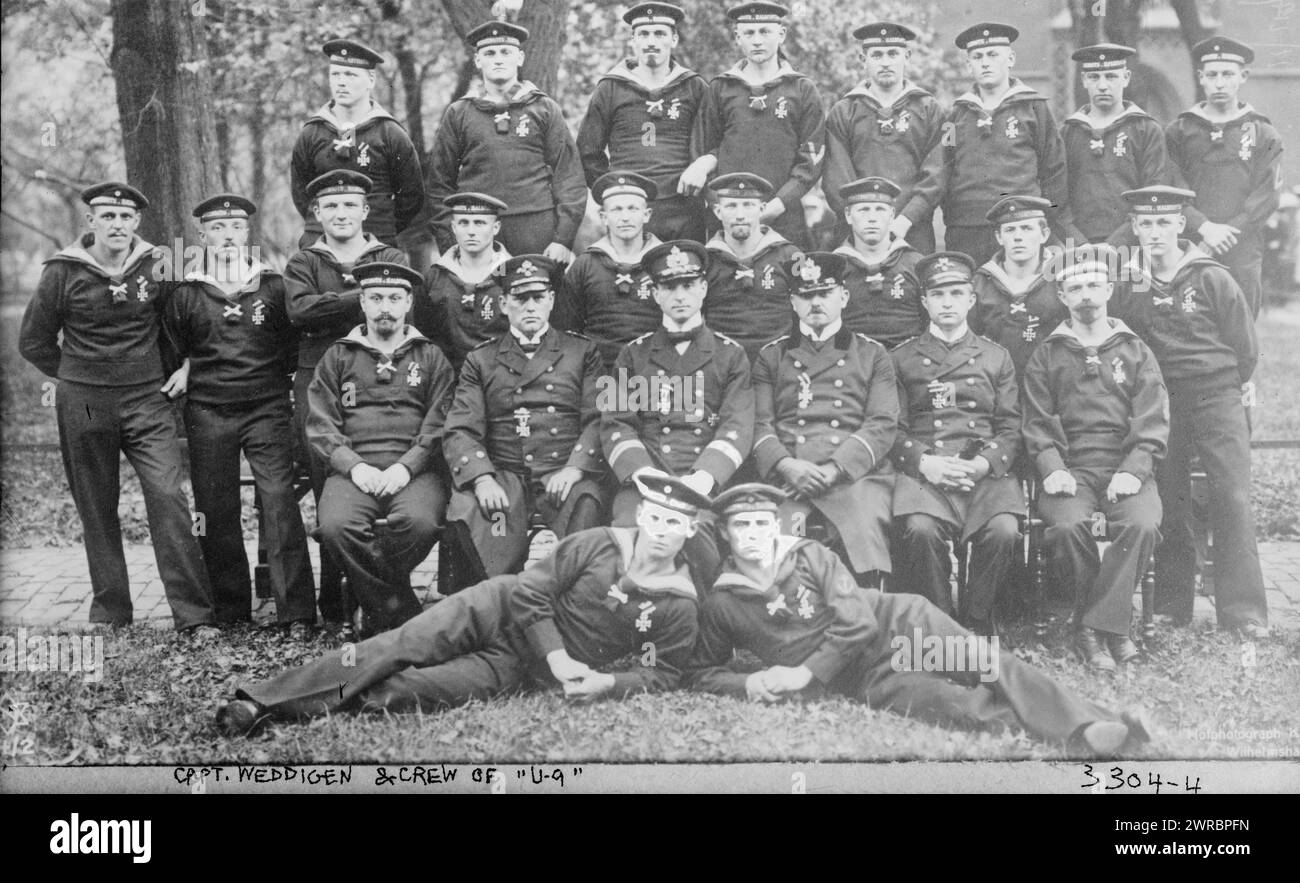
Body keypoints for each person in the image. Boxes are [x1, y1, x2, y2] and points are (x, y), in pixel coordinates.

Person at [215, 474, 707, 735]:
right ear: (642, 514)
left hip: (517, 665)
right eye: (657, 518)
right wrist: (559, 655)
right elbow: (530, 591)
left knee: (410, 689)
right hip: (495, 608)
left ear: (690, 530)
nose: (662, 532)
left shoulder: (679, 603)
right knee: (395, 645)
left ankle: (289, 712)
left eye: (675, 524)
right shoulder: (599, 542)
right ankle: (262, 699)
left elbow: (663, 671)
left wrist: (607, 682)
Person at [687, 483, 1155, 756]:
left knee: (989, 665)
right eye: (741, 526)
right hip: (864, 674)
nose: (753, 535)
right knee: (955, 704)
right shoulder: (722, 603)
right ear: (725, 535)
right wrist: (747, 685)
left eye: (761, 524)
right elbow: (700, 673)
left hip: (899, 625)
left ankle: (1087, 729)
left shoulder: (809, 555)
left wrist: (801, 673)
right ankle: (1087, 733)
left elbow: (857, 624)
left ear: (775, 526)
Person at [19, 182, 216, 635]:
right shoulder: (63, 271)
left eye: (126, 217)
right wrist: (77, 374)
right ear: (90, 221)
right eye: (107, 216)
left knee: (168, 497)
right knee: (97, 504)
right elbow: (32, 341)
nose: (117, 225)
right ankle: (111, 611)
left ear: (137, 223)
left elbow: (181, 322)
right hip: (85, 404)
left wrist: (184, 365)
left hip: (147, 400)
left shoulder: (156, 265)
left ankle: (194, 615)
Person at [1111, 186, 1267, 638]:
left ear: (1181, 225)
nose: (1155, 232)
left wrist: (1225, 387)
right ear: (1134, 228)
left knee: (1232, 497)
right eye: (1146, 223)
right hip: (1161, 402)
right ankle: (1171, 606)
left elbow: (1245, 348)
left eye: (1164, 222)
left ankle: (1244, 614)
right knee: (1170, 499)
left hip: (1217, 396)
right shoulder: (1129, 281)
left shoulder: (1210, 276)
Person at [164, 194, 315, 634]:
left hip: (266, 409)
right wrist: (190, 368)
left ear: (246, 233)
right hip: (208, 412)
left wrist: (273, 387)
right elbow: (176, 352)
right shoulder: (186, 293)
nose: (227, 237)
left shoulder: (272, 285)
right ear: (202, 236)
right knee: (215, 508)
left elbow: (289, 349)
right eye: (217, 229)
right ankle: (231, 609)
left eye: (234, 229)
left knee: (279, 501)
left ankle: (297, 612)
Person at [1022, 245, 1168, 671]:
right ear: (1063, 297)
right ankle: (1104, 627)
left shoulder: (1135, 350)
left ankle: (1100, 626)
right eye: (1075, 287)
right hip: (1070, 469)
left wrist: (1134, 469)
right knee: (1067, 527)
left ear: (1109, 290)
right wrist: (1051, 468)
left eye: (1092, 285)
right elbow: (1036, 420)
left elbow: (1153, 419)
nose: (1085, 294)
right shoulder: (1047, 354)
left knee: (1141, 524)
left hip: (1124, 467)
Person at [285, 170, 410, 625]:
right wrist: (367, 293)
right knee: (330, 489)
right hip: (320, 381)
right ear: (316, 214)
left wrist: (331, 302)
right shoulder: (304, 261)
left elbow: (399, 306)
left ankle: (382, 595)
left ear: (365, 211)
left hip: (382, 382)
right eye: (330, 207)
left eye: (349, 205)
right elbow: (299, 311)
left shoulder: (390, 254)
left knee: (387, 486)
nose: (340, 214)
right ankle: (334, 603)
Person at [442, 254, 609, 588]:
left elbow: (598, 417)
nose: (530, 307)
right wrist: (482, 479)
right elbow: (461, 427)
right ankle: (493, 609)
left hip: (562, 472)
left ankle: (574, 602)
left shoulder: (582, 352)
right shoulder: (481, 359)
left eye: (538, 298)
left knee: (587, 505)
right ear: (504, 304)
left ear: (551, 301)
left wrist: (576, 468)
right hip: (505, 477)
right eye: (520, 299)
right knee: (477, 519)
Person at [306, 262, 455, 634]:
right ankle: (401, 611)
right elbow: (321, 423)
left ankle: (370, 602)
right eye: (375, 298)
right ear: (362, 303)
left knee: (420, 524)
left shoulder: (430, 356)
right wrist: (355, 467)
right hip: (355, 471)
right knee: (337, 526)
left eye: (393, 298)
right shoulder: (338, 357)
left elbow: (441, 421)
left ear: (408, 303)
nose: (384, 306)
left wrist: (406, 467)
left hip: (415, 471)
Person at [601, 239, 755, 584]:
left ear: (703, 288)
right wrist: (645, 475)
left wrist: (702, 477)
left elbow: (738, 424)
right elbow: (615, 424)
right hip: (644, 481)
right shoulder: (631, 355)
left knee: (702, 541)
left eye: (688, 285)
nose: (680, 295)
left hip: (704, 481)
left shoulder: (731, 355)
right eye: (669, 287)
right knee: (627, 536)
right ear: (655, 294)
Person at [889, 251, 1024, 636]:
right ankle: (941, 626)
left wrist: (981, 465)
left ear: (970, 299)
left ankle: (977, 622)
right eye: (938, 294)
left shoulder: (996, 357)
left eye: (955, 293)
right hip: (928, 470)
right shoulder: (900, 358)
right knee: (920, 529)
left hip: (981, 469)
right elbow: (892, 429)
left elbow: (1010, 427)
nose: (947, 302)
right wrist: (927, 463)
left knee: (1003, 531)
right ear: (924, 301)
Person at [752, 251, 898, 583]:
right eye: (806, 295)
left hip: (854, 475)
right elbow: (760, 424)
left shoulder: (872, 354)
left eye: (824, 293)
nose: (815, 302)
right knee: (773, 544)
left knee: (861, 527)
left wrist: (834, 469)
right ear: (793, 302)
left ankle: (862, 617)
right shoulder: (772, 356)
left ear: (843, 296)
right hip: (788, 476)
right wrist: (787, 467)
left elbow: (882, 423)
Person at [426, 20, 587, 262]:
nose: (498, 59)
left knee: (535, 296)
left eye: (505, 52)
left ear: (520, 58)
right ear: (478, 61)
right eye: (489, 53)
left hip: (535, 230)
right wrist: (449, 242)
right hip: (477, 229)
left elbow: (570, 177)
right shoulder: (459, 112)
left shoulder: (543, 109)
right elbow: (439, 184)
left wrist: (562, 239)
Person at [682, 1, 826, 250]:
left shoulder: (802, 89)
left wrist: (778, 204)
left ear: (781, 34)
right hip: (728, 218)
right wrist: (722, 207)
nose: (757, 40)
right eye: (749, 33)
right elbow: (702, 150)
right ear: (738, 37)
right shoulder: (720, 88)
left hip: (784, 214)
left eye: (765, 31)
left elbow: (811, 160)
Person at [936, 22, 1075, 265]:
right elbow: (943, 168)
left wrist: (1048, 220)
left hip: (1020, 222)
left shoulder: (1034, 107)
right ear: (969, 65)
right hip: (967, 227)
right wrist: (956, 215)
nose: (985, 62)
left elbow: (1053, 168)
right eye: (977, 57)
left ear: (1010, 59)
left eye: (993, 55)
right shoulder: (955, 115)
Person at [1165, 36, 1284, 318]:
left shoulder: (1262, 132)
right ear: (1201, 78)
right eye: (1212, 75)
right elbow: (1171, 182)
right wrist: (1204, 227)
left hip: (1242, 247)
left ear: (1243, 76)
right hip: (1190, 243)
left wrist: (1226, 234)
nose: (1219, 83)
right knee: (1189, 321)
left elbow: (1267, 195)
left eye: (1227, 74)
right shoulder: (1179, 131)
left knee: (1240, 324)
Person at [577, 2, 709, 242]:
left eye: (660, 34)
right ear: (633, 40)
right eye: (644, 34)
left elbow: (715, 140)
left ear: (674, 39)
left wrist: (701, 168)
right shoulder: (610, 87)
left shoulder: (694, 86)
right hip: (630, 207)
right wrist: (613, 191)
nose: (651, 42)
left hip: (684, 205)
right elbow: (587, 151)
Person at [289, 39, 424, 249]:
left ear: (370, 79)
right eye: (336, 74)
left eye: (350, 75)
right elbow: (301, 193)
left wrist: (379, 224)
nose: (341, 82)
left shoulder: (390, 133)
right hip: (319, 244)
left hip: (376, 242)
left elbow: (411, 197)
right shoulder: (311, 133)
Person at [823, 21, 945, 254]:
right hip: (857, 233)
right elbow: (835, 177)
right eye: (877, 55)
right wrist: (864, 223)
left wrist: (906, 219)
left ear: (907, 56)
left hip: (913, 230)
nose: (886, 62)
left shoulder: (929, 109)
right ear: (863, 60)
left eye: (893, 54)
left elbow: (937, 174)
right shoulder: (844, 111)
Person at [1060, 43, 1170, 246]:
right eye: (1094, 77)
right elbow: (1058, 195)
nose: (1102, 85)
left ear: (1126, 78)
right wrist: (1078, 243)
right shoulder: (1069, 132)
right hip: (1078, 245)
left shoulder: (1145, 128)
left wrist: (1116, 243)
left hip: (1132, 241)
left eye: (1111, 76)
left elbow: (1152, 191)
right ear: (1084, 80)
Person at [554, 171, 664, 371]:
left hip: (654, 369)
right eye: (616, 210)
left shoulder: (663, 263)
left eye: (632, 208)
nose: (625, 217)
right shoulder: (585, 265)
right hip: (597, 371)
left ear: (646, 214)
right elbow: (567, 328)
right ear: (603, 217)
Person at [701, 173, 801, 362]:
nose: (740, 215)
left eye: (748, 205)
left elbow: (806, 316)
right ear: (717, 211)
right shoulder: (705, 260)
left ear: (762, 209)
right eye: (731, 206)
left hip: (778, 363)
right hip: (721, 363)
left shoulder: (791, 256)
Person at [970, 195, 1068, 378]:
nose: (1018, 237)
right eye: (1009, 230)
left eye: (1026, 228)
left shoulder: (1063, 277)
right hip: (996, 379)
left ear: (1044, 234)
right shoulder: (981, 282)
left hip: (1052, 379)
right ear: (999, 237)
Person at [832, 176, 926, 349]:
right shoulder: (834, 267)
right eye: (864, 210)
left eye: (880, 209)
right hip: (852, 364)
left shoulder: (915, 264)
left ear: (892, 215)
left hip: (907, 363)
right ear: (848, 215)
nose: (872, 218)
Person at [422, 191, 511, 373]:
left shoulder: (511, 275)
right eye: (464, 223)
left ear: (496, 227)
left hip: (500, 375)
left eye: (480, 223)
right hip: (448, 375)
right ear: (453, 228)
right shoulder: (435, 276)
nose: (471, 231)